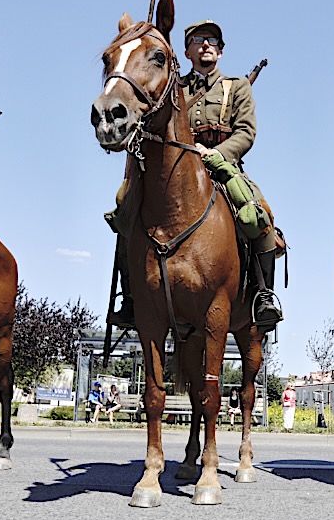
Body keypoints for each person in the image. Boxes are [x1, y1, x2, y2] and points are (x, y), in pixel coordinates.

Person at [108, 20, 283, 331]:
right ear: (186, 52)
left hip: (222, 165)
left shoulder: (236, 87)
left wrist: (218, 154)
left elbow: (246, 132)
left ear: (220, 50)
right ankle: (131, 297)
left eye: (213, 40)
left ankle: (263, 295)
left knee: (258, 213)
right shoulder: (174, 86)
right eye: (198, 40)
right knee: (126, 206)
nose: (206, 44)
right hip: (177, 169)